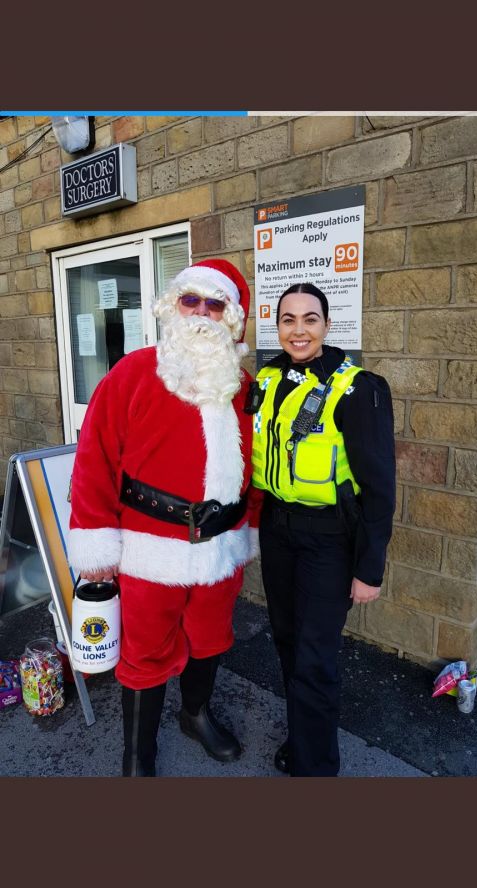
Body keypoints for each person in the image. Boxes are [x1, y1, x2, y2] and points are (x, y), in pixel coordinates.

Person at [68, 258, 260, 776]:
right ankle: (138, 753)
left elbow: (256, 466)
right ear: (172, 306)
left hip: (222, 546)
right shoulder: (132, 372)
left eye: (213, 304)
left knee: (212, 637)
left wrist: (254, 527)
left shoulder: (242, 387)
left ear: (231, 318)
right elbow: (94, 460)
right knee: (145, 651)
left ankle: (195, 714)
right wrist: (95, 544)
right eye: (189, 300)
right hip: (149, 547)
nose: (200, 313)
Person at [251, 282, 395, 777]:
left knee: (315, 657)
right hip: (278, 531)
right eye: (288, 320)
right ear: (277, 327)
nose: (299, 330)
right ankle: (302, 739)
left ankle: (316, 767)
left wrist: (369, 569)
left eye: (310, 319)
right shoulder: (267, 379)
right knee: (288, 642)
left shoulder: (357, 389)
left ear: (328, 325)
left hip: (329, 541)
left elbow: (380, 487)